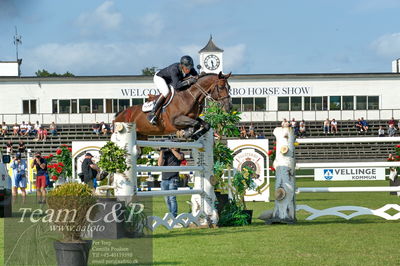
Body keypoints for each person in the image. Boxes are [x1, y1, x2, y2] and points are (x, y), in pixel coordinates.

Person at [148, 55, 198, 125]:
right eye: (186, 68)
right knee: (166, 92)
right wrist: (189, 81)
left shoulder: (191, 69)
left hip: (171, 80)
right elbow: (177, 86)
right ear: (181, 65)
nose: (188, 70)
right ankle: (152, 113)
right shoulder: (174, 69)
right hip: (160, 78)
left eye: (189, 68)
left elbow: (197, 77)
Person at [158, 147, 184, 218]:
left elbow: (179, 158)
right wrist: (161, 152)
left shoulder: (180, 153)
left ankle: (174, 217)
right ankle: (171, 216)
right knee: (167, 199)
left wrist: (172, 149)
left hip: (173, 178)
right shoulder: (166, 154)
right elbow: (160, 164)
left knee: (172, 198)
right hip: (164, 179)